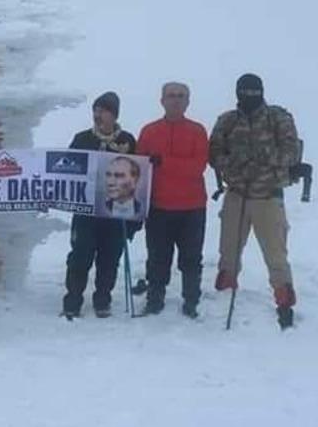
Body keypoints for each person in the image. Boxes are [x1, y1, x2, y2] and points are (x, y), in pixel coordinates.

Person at [208, 73, 301, 328]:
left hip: (268, 197)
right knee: (228, 251)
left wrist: (260, 156)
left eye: (253, 91)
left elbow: (292, 153)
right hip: (236, 194)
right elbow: (214, 153)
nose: (249, 96)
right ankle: (225, 296)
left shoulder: (278, 118)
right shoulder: (227, 121)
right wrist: (234, 163)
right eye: (244, 92)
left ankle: (284, 301)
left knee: (276, 256)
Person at [62, 92, 138, 320]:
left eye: (103, 111)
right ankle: (73, 300)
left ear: (113, 115)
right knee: (80, 256)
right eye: (95, 110)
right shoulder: (82, 139)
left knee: (110, 257)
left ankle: (103, 299)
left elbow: (137, 176)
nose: (98, 115)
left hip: (115, 212)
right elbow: (67, 169)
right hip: (86, 212)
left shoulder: (127, 140)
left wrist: (135, 218)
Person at [137, 82, 209, 318]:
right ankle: (154, 299)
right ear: (162, 100)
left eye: (181, 96)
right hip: (158, 207)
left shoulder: (198, 131)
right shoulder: (149, 131)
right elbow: (138, 168)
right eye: (171, 96)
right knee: (157, 257)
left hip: (192, 207)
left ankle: (191, 301)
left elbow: (197, 167)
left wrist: (164, 162)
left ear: (188, 101)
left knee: (191, 258)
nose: (176, 100)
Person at [98, 155, 143, 220]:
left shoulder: (141, 209)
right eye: (108, 175)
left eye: (119, 176)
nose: (110, 182)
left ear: (135, 180)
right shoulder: (103, 208)